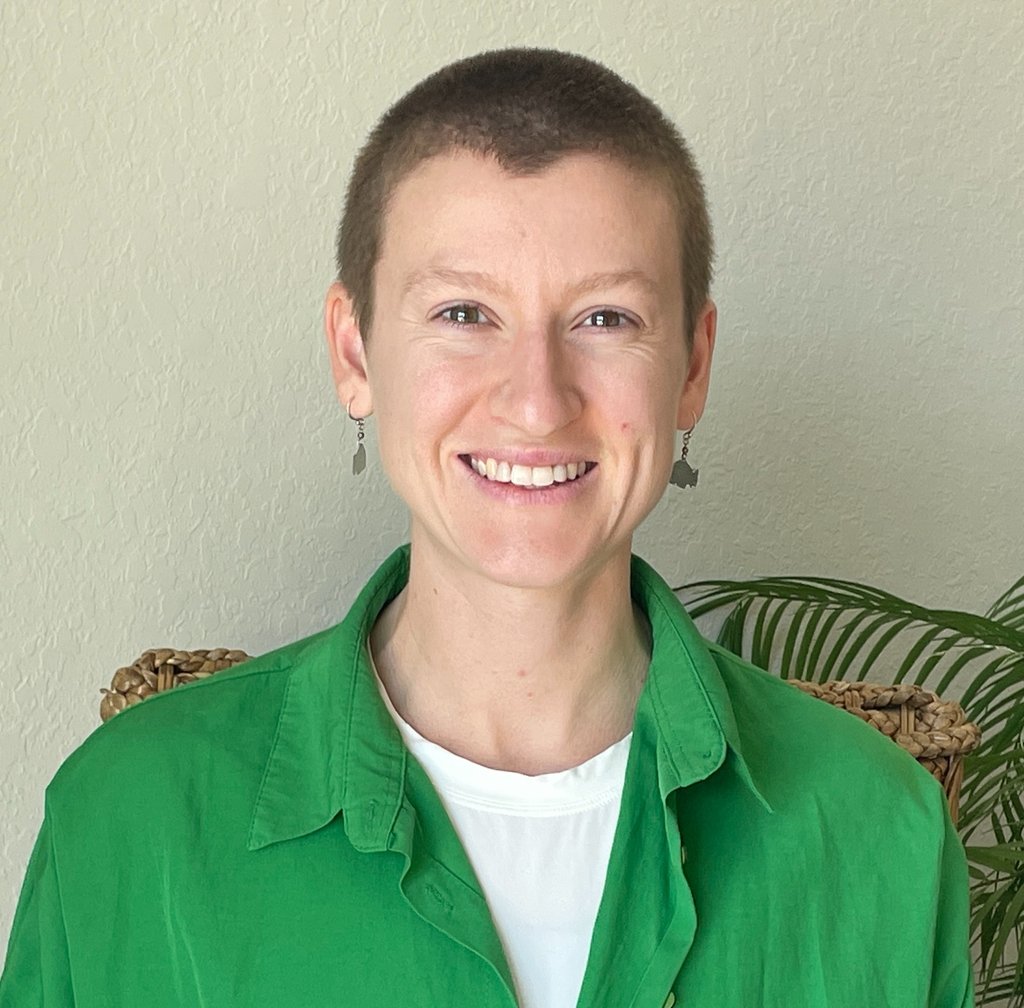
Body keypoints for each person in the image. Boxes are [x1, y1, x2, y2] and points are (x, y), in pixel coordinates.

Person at [1, 48, 973, 1008]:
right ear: (355, 352)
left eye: (603, 318)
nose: (537, 402)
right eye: (465, 311)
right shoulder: (127, 816)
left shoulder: (878, 826)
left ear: (690, 366)